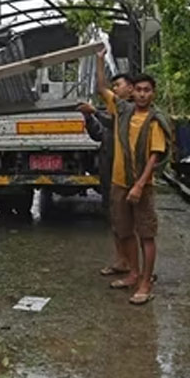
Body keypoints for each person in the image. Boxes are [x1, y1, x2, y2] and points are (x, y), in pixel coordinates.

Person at [96, 48, 171, 305]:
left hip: (142, 186)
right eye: (138, 90)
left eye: (146, 90)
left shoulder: (154, 121)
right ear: (131, 91)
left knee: (146, 235)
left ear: (153, 93)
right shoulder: (123, 111)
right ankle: (133, 273)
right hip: (119, 182)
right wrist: (98, 59)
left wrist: (139, 185)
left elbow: (154, 156)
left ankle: (145, 282)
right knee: (124, 231)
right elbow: (101, 89)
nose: (142, 94)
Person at [77, 72, 134, 276]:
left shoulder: (131, 113)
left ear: (130, 89)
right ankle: (121, 260)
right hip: (110, 172)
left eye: (118, 85)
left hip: (127, 176)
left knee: (129, 224)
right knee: (115, 219)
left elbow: (115, 124)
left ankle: (134, 266)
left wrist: (95, 112)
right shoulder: (113, 111)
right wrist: (89, 116)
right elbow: (99, 133)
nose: (115, 89)